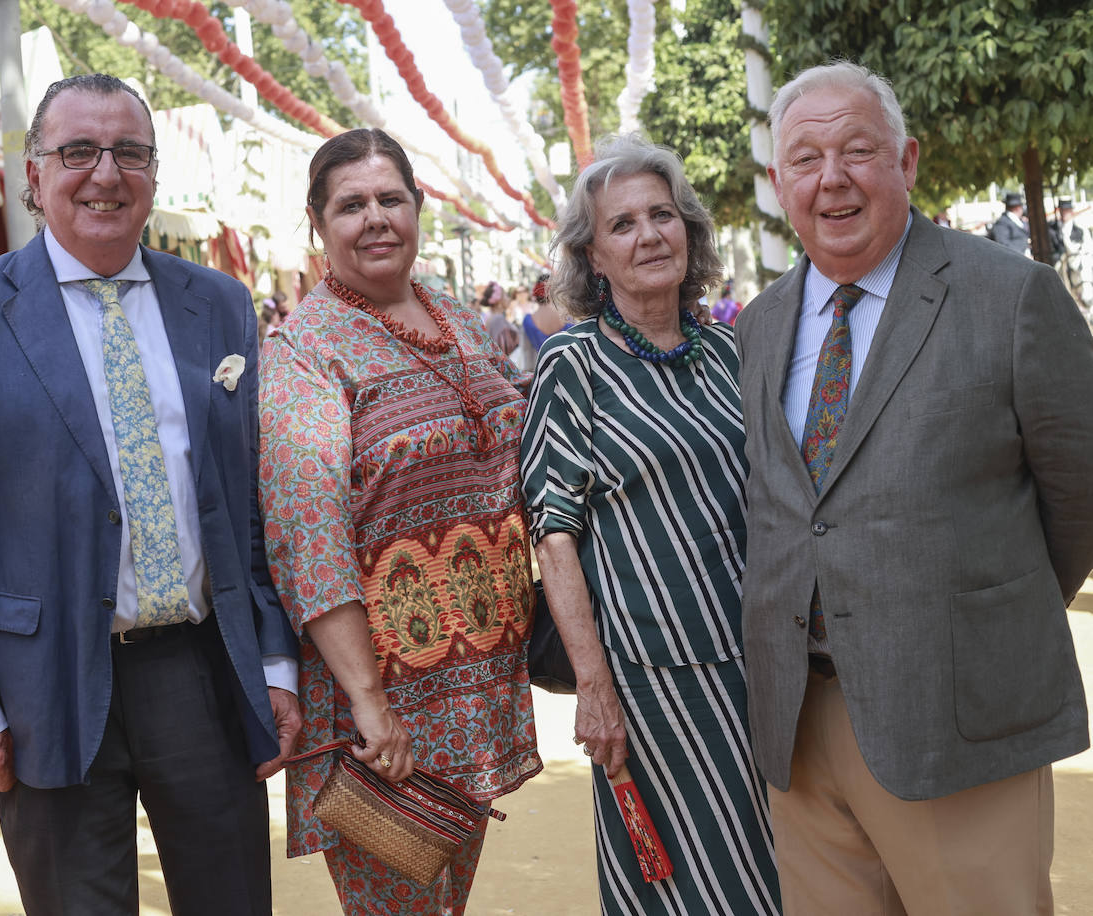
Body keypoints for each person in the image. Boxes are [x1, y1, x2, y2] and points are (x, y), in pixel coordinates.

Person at [0, 73, 301, 915]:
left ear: (153, 172)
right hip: (42, 686)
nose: (105, 174)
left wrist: (272, 659)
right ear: (34, 173)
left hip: (200, 672)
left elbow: (250, 507)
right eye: (78, 150)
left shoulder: (219, 304)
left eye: (129, 153)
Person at [736, 61, 1093, 914]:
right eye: (806, 159)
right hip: (798, 724)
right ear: (780, 182)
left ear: (907, 161)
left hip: (957, 716)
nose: (832, 178)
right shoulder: (758, 325)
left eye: (857, 150)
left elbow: (1079, 498)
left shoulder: (1013, 296)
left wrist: (975, 620)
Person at [259, 127, 541, 914]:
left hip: (476, 690)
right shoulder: (306, 352)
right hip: (383, 711)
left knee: (446, 905)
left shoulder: (458, 320)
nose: (376, 219)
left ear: (418, 206)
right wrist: (369, 705)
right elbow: (310, 544)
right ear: (317, 223)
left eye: (391, 199)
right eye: (352, 205)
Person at [520, 135, 780, 916]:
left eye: (663, 215)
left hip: (766, 670)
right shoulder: (573, 364)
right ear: (593, 257)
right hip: (652, 689)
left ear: (688, 230)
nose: (649, 235)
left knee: (782, 876)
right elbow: (553, 536)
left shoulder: (732, 351)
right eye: (623, 224)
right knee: (677, 887)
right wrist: (593, 688)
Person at [1055, 198, 1087, 305]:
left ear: (1071, 211)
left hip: (1078, 261)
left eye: (1067, 211)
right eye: (1062, 211)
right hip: (1062, 262)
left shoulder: (1079, 229)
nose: (1064, 213)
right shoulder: (1054, 228)